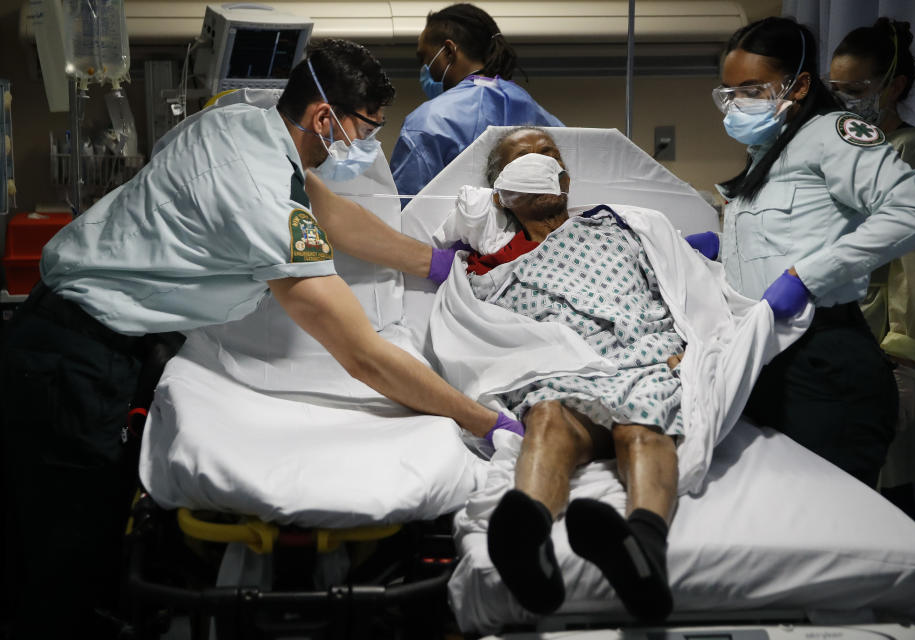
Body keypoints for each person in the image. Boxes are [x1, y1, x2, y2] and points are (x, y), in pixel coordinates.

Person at [0, 39, 522, 638]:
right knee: (63, 567)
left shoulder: (240, 124)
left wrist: (431, 261)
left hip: (66, 337)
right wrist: (479, 419)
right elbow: (362, 356)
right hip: (74, 359)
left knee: (44, 542)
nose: (369, 146)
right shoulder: (261, 197)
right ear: (324, 119)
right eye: (367, 129)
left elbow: (329, 213)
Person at [686, 17, 915, 487]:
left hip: (826, 362)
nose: (737, 105)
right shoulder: (769, 150)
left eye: (751, 89)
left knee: (831, 524)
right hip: (766, 356)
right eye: (729, 92)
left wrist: (807, 276)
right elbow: (792, 235)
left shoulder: (832, 134)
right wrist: (723, 252)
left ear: (799, 85)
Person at [470, 127, 682, 622]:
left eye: (550, 156)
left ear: (566, 177)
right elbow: (478, 333)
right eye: (525, 159)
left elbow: (682, 291)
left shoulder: (624, 231)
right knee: (546, 416)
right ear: (502, 192)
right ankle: (530, 543)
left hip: (643, 358)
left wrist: (685, 347)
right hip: (562, 373)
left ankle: (645, 549)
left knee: (641, 422)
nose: (543, 163)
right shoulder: (490, 269)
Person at [829, 18, 915, 511]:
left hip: (885, 348)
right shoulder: (848, 151)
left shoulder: (911, 152)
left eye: (856, 89)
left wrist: (904, 356)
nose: (844, 100)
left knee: (883, 491)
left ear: (895, 87)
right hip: (842, 344)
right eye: (835, 89)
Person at [389, 3, 563, 203]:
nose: (424, 68)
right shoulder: (541, 116)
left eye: (424, 58)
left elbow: (404, 210)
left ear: (448, 51)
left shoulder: (427, 122)